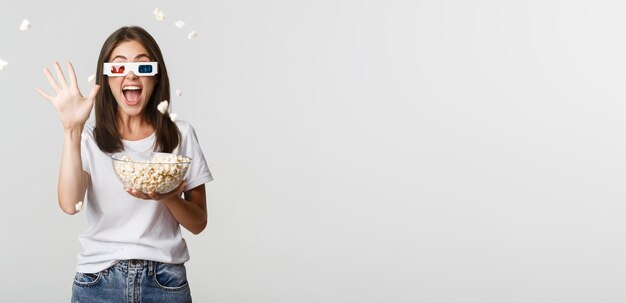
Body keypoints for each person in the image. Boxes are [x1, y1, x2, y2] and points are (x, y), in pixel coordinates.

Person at [36, 25, 213, 303]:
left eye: (143, 67)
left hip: (164, 281)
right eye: (118, 68)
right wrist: (72, 130)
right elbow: (70, 205)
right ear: (106, 79)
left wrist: (167, 197)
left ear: (156, 77)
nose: (130, 75)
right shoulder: (88, 139)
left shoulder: (181, 134)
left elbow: (199, 222)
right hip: (98, 281)